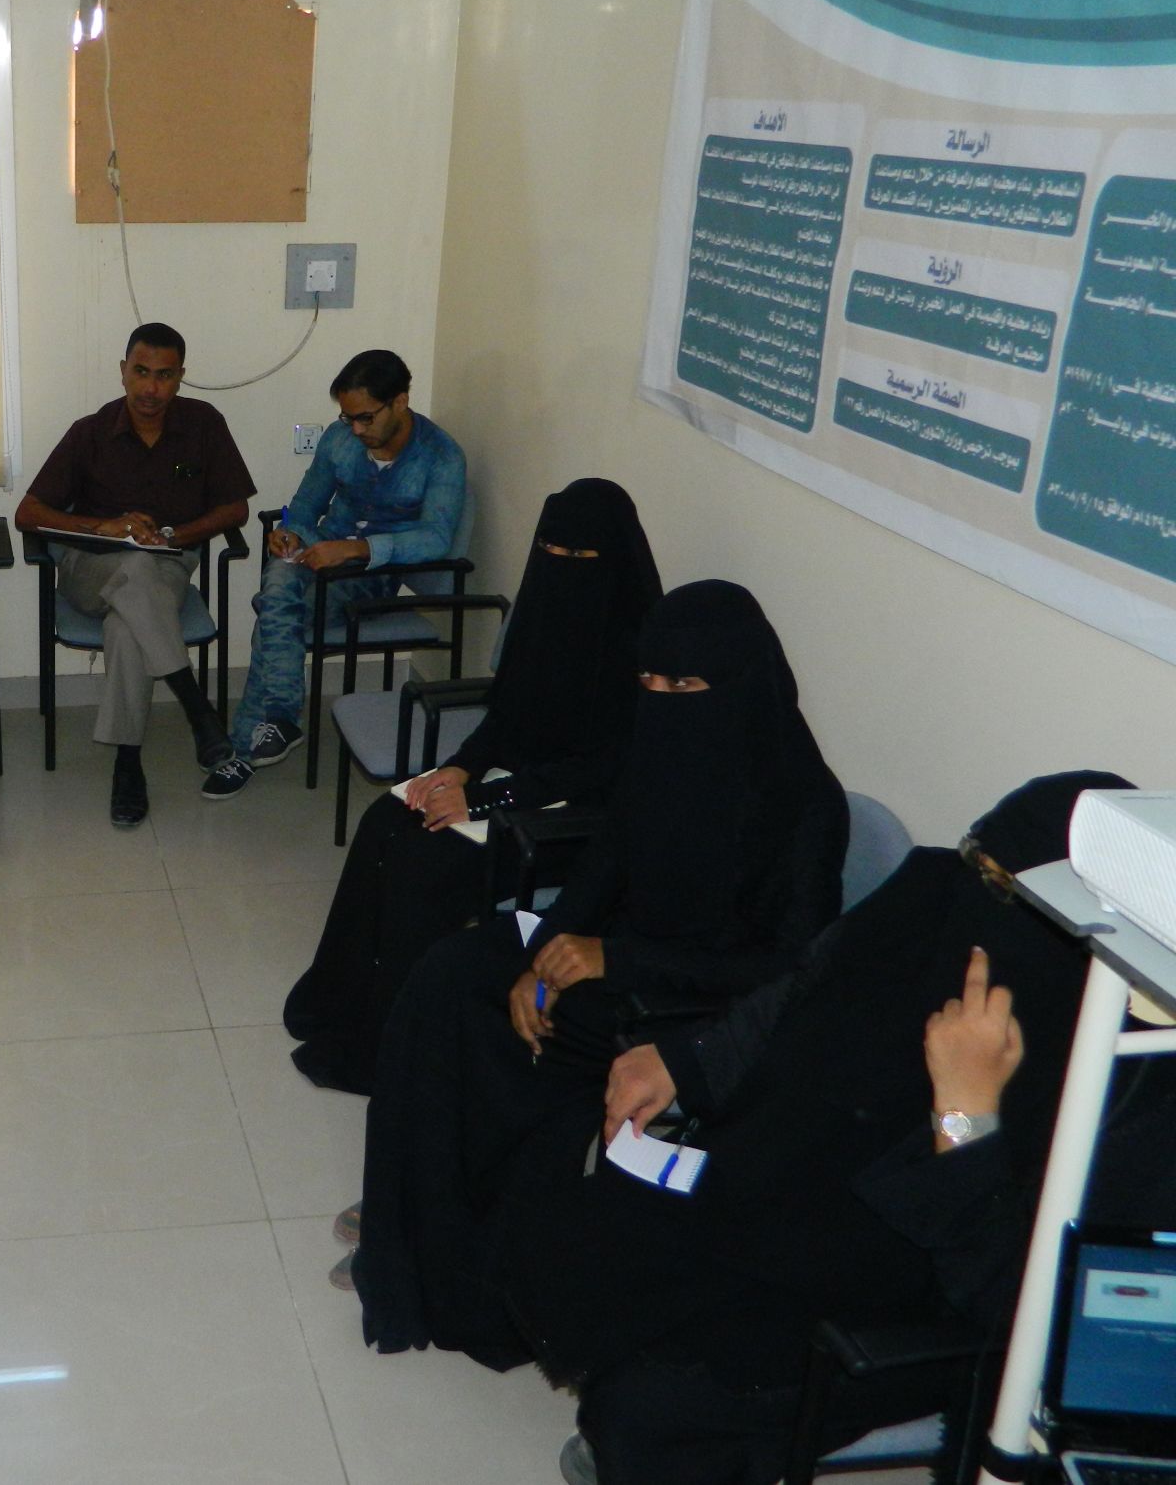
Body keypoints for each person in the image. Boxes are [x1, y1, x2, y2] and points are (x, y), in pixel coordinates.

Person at [487, 774, 1165, 1485]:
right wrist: (685, 1061)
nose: (972, 891)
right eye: (978, 861)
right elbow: (802, 985)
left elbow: (1014, 1307)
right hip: (798, 1189)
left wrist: (967, 1114)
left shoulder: (1129, 1081)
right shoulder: (934, 892)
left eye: (1001, 888)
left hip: (914, 1295)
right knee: (555, 1223)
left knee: (652, 1402)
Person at [349, 580, 847, 1354]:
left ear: (742, 683)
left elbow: (787, 970)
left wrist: (612, 958)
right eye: (649, 681)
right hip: (609, 958)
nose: (661, 702)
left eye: (684, 685)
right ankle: (408, 1221)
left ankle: (485, 1271)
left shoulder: (805, 804)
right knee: (446, 976)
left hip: (689, 1008)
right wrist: (542, 957)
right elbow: (603, 868)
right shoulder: (658, 754)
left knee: (508, 1060)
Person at [283, 478, 661, 1094]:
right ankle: (340, 1003)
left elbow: (603, 770)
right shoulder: (543, 617)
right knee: (385, 822)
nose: (561, 566)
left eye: (579, 556)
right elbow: (505, 718)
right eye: (551, 552)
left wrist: (484, 798)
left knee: (424, 866)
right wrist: (457, 769)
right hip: (518, 787)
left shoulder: (641, 650)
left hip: (574, 824)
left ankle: (393, 1047)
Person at [14, 322, 255, 825]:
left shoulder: (204, 424)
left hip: (168, 564)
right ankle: (197, 708)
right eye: (141, 372)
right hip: (90, 566)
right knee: (134, 570)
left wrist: (176, 535)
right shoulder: (91, 432)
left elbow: (235, 509)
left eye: (164, 375)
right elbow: (28, 513)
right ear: (123, 371)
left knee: (127, 625)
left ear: (181, 376)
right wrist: (101, 525)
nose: (151, 388)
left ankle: (128, 764)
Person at [202, 349, 467, 800]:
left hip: (374, 573)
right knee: (280, 583)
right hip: (318, 554)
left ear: (400, 402)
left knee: (276, 613)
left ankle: (249, 744)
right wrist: (290, 533)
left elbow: (436, 539)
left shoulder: (441, 456)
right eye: (348, 418)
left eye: (365, 418)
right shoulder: (339, 440)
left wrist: (357, 549)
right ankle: (278, 721)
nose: (356, 430)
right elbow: (306, 506)